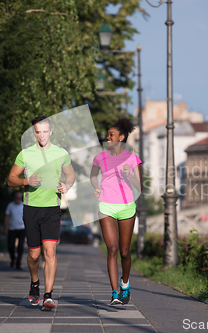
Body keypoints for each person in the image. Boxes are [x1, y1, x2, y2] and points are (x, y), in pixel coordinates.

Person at [7, 116, 75, 311]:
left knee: (50, 252)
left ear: (51, 132)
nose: (42, 135)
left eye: (45, 131)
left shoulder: (61, 153)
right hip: (31, 209)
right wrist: (26, 182)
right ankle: (35, 282)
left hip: (52, 209)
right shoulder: (25, 154)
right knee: (34, 255)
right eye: (38, 132)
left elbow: (70, 174)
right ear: (34, 133)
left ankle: (48, 296)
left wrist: (67, 185)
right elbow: (11, 179)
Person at [90, 117, 142, 305]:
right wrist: (95, 187)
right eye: (107, 135)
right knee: (112, 249)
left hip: (127, 206)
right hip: (106, 205)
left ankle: (125, 283)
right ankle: (114, 292)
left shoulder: (132, 158)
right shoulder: (100, 158)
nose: (108, 137)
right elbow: (93, 176)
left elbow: (139, 186)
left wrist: (129, 176)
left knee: (125, 252)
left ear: (121, 137)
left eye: (111, 135)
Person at [4, 191, 26, 270]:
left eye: (20, 198)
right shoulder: (10, 205)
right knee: (10, 245)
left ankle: (18, 263)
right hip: (12, 228)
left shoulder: (23, 205)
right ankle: (13, 258)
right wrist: (5, 228)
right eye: (17, 198)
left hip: (22, 228)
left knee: (20, 246)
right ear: (14, 198)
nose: (18, 199)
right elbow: (6, 217)